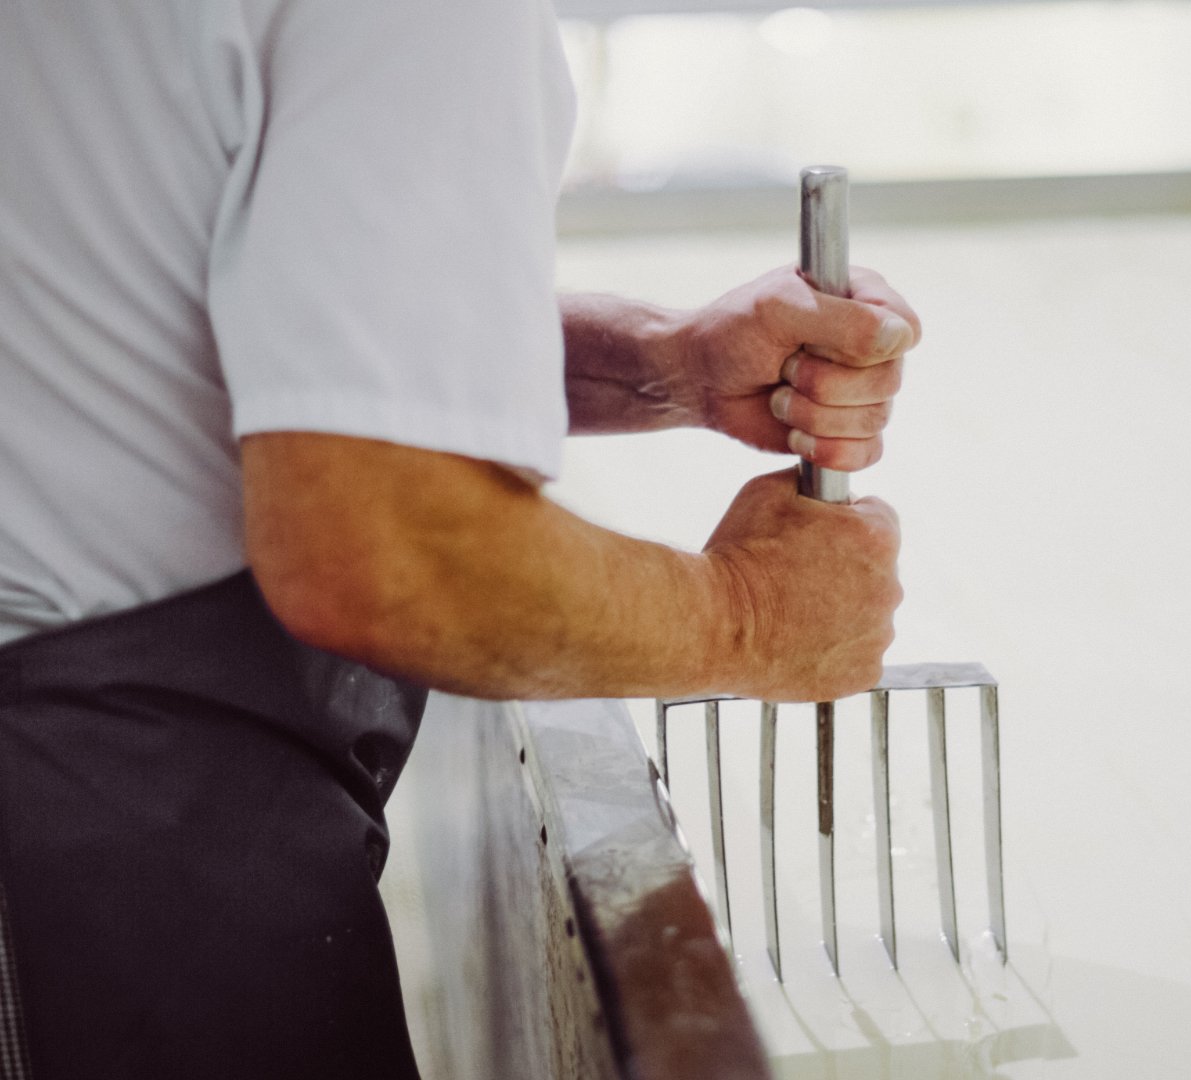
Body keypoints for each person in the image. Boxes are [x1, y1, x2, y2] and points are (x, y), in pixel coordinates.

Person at [0, 0, 915, 1077]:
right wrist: (753, 617)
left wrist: (665, 363)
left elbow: (256, 321)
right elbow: (380, 553)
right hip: (119, 819)